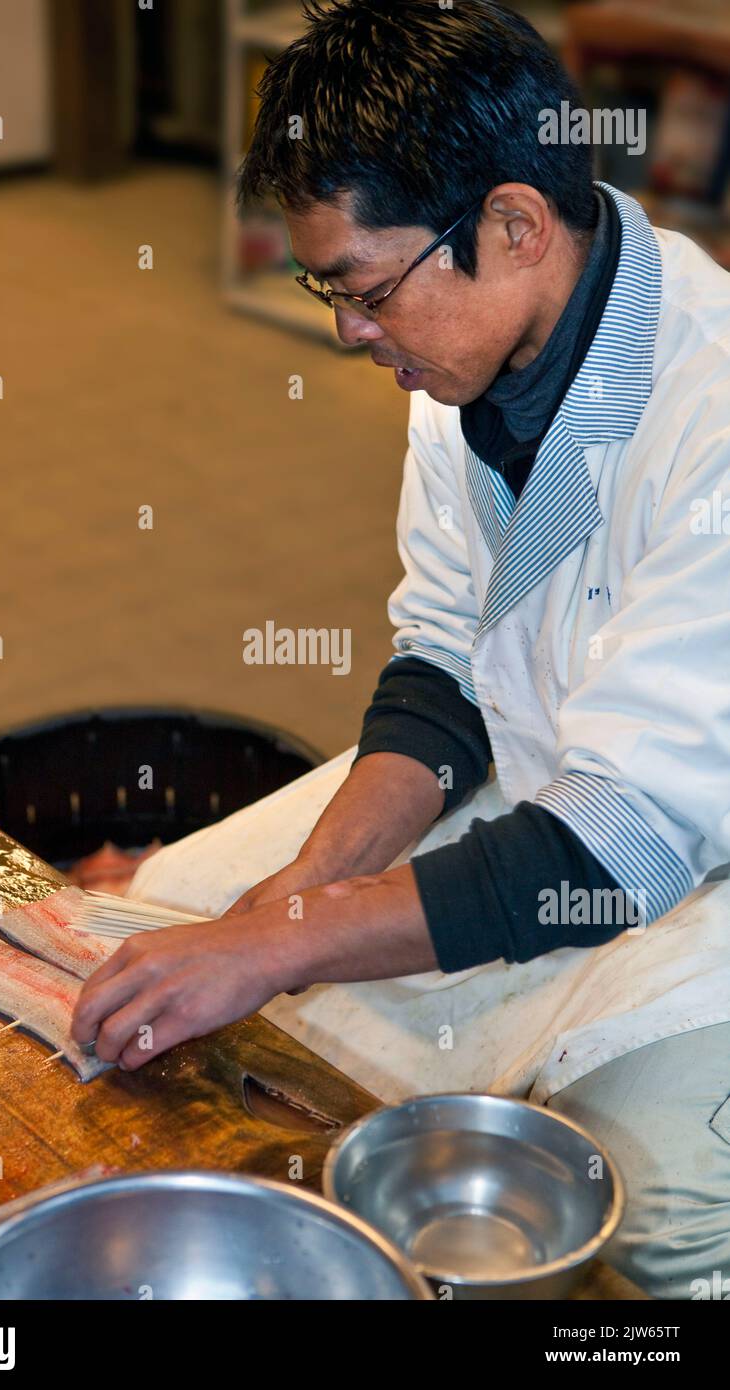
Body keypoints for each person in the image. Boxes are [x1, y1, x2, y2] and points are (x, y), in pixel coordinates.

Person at [72, 0, 730, 1296]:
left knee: (638, 1221)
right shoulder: (467, 361)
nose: (344, 332)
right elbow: (440, 671)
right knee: (158, 935)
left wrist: (289, 939)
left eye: (364, 290)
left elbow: (617, 844)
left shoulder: (708, 410)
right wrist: (292, 900)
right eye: (329, 289)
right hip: (551, 774)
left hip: (688, 848)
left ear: (514, 226)